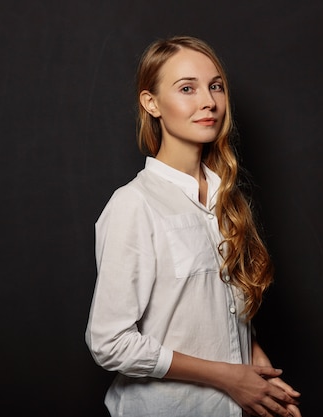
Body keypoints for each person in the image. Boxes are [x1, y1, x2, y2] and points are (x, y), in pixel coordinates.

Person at [85, 35, 301, 417]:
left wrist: (260, 377)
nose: (209, 102)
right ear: (151, 103)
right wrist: (228, 377)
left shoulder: (225, 199)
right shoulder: (134, 205)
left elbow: (215, 312)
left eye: (215, 86)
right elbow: (110, 342)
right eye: (187, 88)